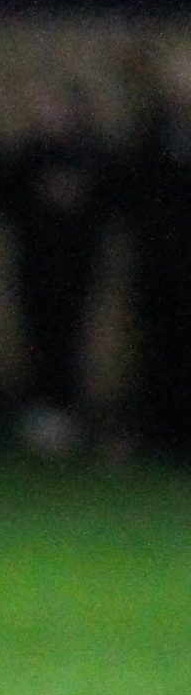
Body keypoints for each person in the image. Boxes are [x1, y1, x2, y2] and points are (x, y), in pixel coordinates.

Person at [0, 81, 112, 458]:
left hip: (78, 266)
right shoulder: (28, 153)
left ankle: (66, 414)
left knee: (70, 338)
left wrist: (76, 196)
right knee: (36, 337)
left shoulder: (93, 153)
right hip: (35, 264)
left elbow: (110, 202)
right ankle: (37, 414)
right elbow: (2, 198)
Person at [121, 48, 191, 460]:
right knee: (158, 347)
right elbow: (137, 195)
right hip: (159, 265)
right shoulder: (150, 137)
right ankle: (161, 434)